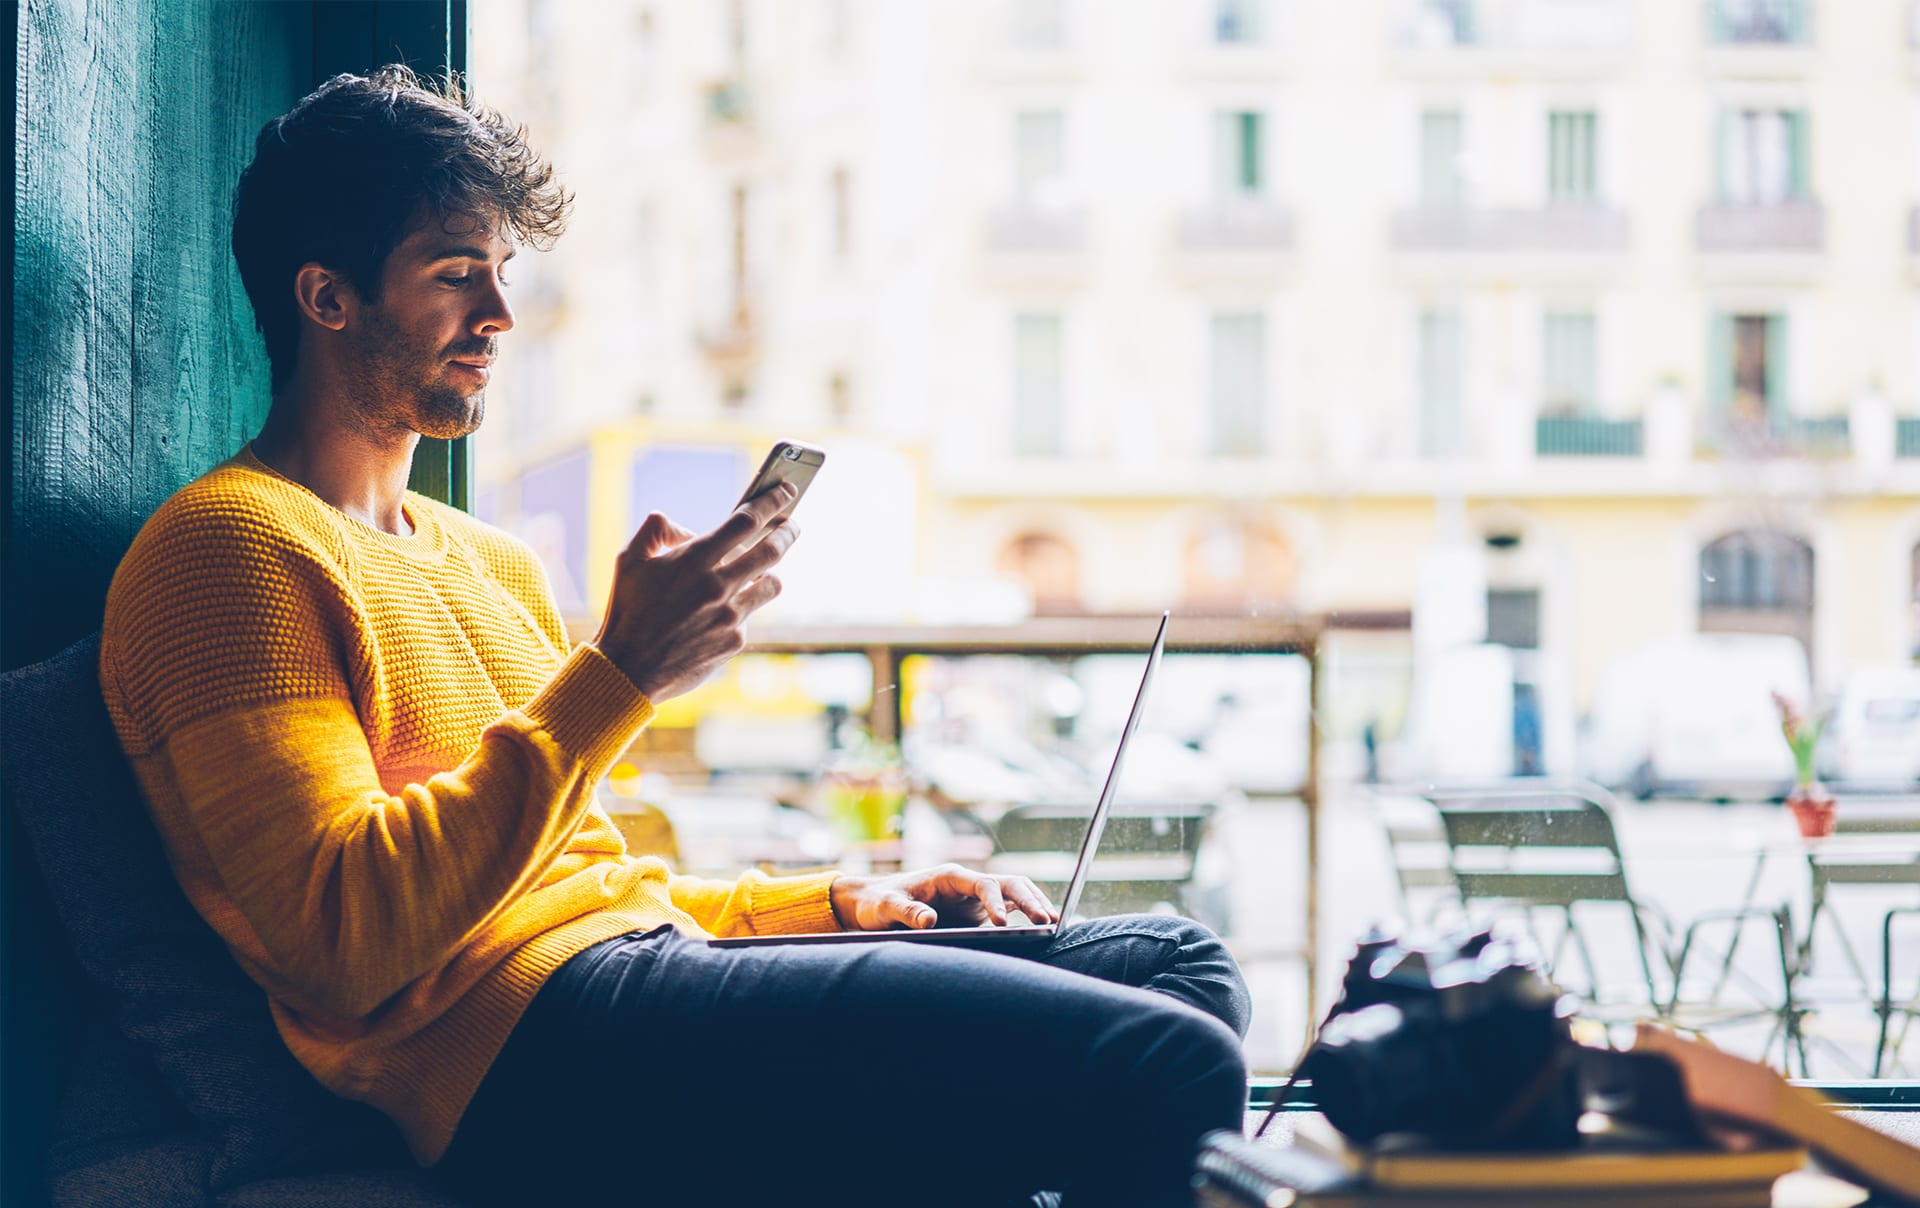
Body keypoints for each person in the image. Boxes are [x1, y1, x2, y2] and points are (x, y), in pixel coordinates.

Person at [100, 66, 1250, 1208]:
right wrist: (621, 673)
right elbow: (345, 938)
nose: (500, 316)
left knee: (1183, 969)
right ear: (327, 296)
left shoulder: (488, 559)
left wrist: (834, 903)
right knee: (1170, 1060)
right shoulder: (228, 547)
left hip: (636, 980)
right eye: (458, 277)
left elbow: (603, 884)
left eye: (502, 274)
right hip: (526, 1064)